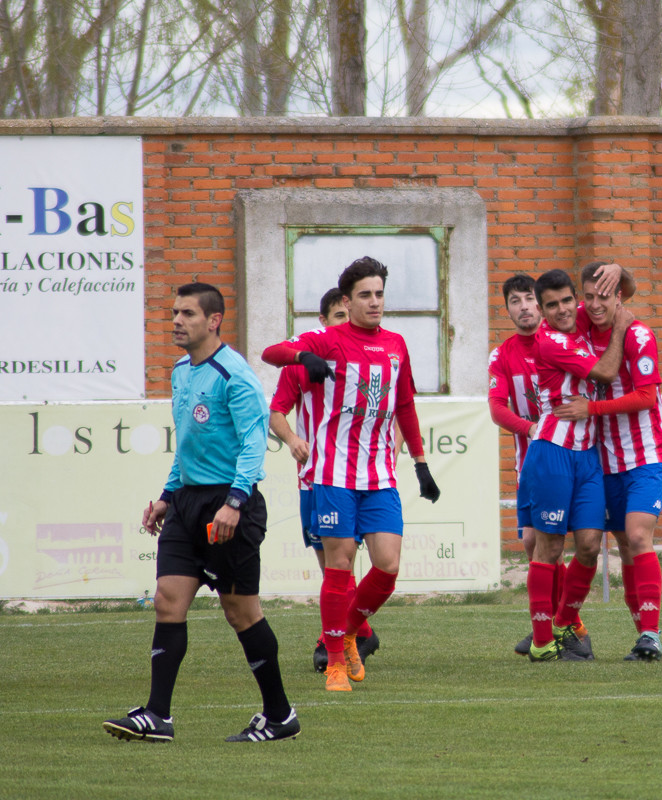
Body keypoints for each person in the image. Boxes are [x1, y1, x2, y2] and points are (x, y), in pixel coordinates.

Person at [103, 282, 299, 743]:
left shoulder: (236, 376)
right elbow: (188, 443)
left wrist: (235, 502)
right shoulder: (180, 371)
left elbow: (254, 444)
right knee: (167, 600)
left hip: (231, 504)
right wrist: (168, 496)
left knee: (241, 613)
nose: (176, 320)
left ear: (213, 321)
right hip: (189, 504)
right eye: (174, 312)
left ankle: (280, 715)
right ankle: (157, 716)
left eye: (187, 313)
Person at [261, 256, 441, 692]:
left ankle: (343, 631)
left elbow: (404, 407)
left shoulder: (396, 344)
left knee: (388, 567)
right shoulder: (328, 339)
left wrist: (421, 463)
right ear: (347, 300)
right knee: (339, 567)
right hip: (333, 475)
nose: (375, 302)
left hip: (379, 476)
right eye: (366, 295)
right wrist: (305, 355)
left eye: (380, 293)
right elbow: (272, 354)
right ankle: (337, 663)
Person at [557, 261, 662, 661]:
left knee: (639, 537)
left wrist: (592, 409)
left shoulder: (639, 333)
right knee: (617, 546)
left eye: (603, 296)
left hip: (647, 456)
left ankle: (652, 634)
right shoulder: (581, 329)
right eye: (587, 296)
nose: (593, 304)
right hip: (602, 461)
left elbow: (645, 397)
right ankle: (565, 627)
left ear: (618, 296)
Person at [268, 287, 381, 673]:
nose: (344, 324)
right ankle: (356, 631)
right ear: (323, 322)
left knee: (350, 564)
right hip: (314, 480)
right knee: (333, 566)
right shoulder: (301, 365)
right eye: (337, 316)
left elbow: (397, 411)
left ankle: (339, 637)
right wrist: (293, 438)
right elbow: (277, 412)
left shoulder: (369, 362)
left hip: (359, 477)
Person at [522, 267, 630, 661]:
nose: (563, 310)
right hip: (553, 451)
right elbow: (605, 371)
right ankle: (540, 640)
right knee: (549, 547)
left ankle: (566, 621)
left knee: (589, 546)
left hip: (588, 456)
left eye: (568, 300)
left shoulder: (582, 321)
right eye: (552, 305)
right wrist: (620, 329)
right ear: (542, 310)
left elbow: (621, 293)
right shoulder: (549, 341)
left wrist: (618, 270)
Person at [486, 273, 552, 655]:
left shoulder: (561, 342)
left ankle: (565, 623)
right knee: (532, 544)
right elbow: (496, 408)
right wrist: (532, 429)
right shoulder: (503, 354)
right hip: (530, 462)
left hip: (571, 458)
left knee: (558, 544)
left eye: (529, 298)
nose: (524, 306)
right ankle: (548, 623)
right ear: (508, 308)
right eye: (515, 300)